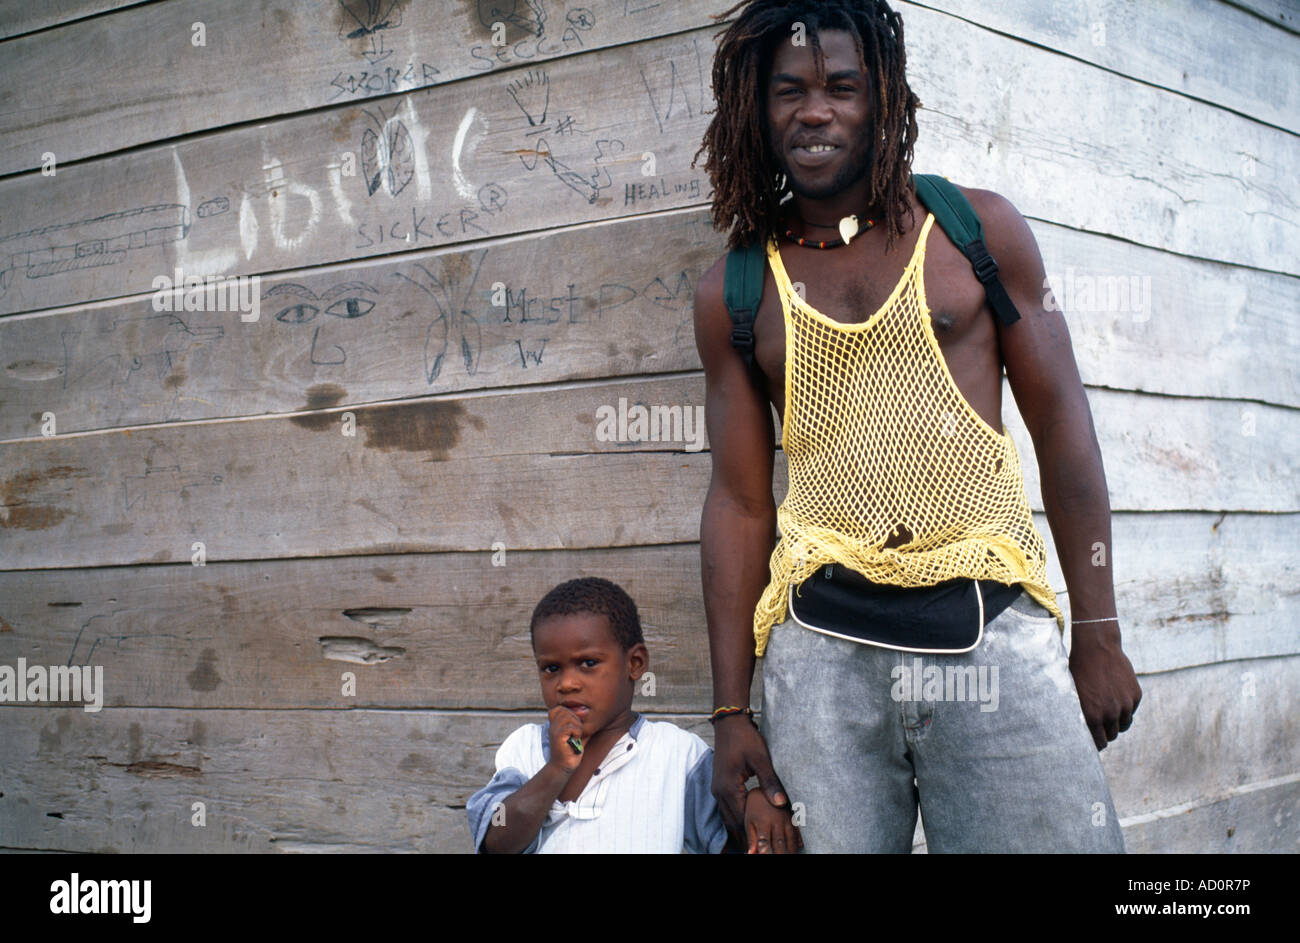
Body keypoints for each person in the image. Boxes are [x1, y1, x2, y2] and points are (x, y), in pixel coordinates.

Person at [690, 0, 1142, 852]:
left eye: (842, 87)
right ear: (757, 108)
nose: (813, 109)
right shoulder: (737, 290)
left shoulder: (976, 231)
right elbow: (740, 505)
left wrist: (1099, 632)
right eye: (788, 90)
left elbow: (1065, 435)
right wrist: (729, 710)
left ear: (885, 97)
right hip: (820, 655)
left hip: (990, 629)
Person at [466, 577, 795, 853]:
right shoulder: (523, 749)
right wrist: (556, 769)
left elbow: (726, 839)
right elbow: (495, 840)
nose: (566, 683)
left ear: (634, 664)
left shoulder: (677, 756)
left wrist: (754, 806)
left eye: (588, 663)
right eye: (551, 668)